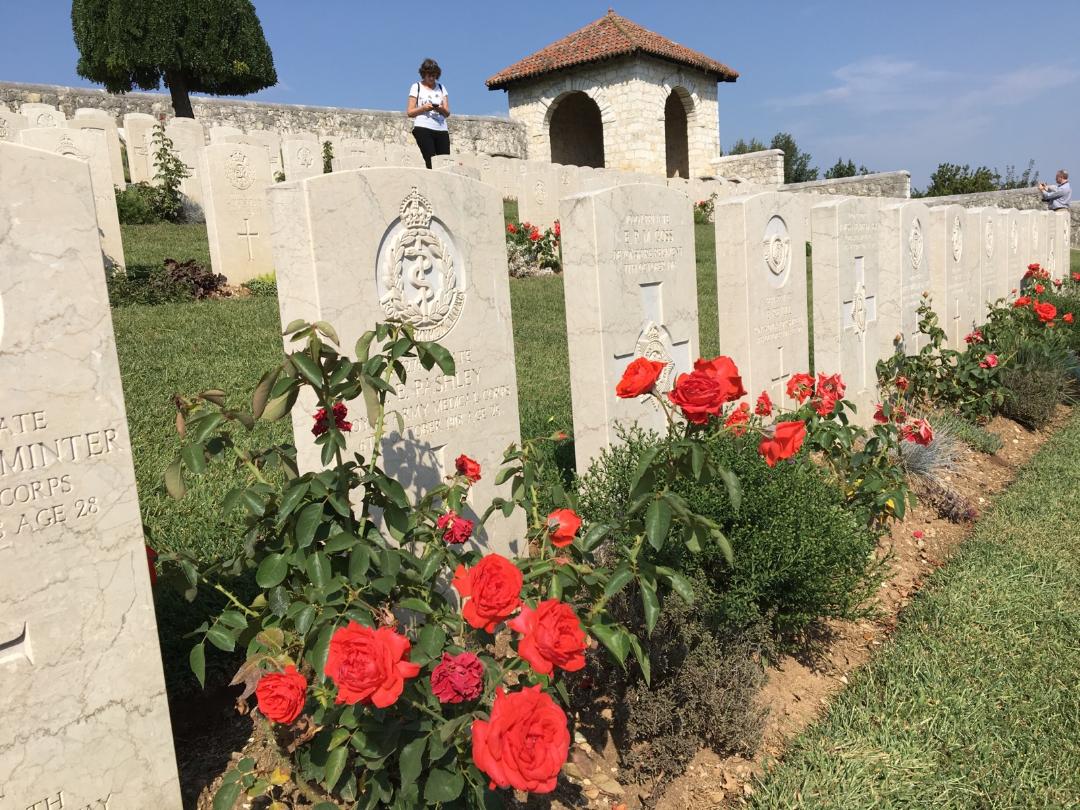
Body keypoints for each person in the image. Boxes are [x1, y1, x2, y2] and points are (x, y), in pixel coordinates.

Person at [407, 59, 450, 169]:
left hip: (441, 129)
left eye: (434, 75)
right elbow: (410, 112)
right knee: (430, 161)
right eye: (429, 75)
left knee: (445, 162)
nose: (431, 78)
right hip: (423, 127)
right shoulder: (416, 87)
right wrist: (424, 108)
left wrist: (440, 109)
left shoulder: (441, 87)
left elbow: (447, 112)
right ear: (424, 74)